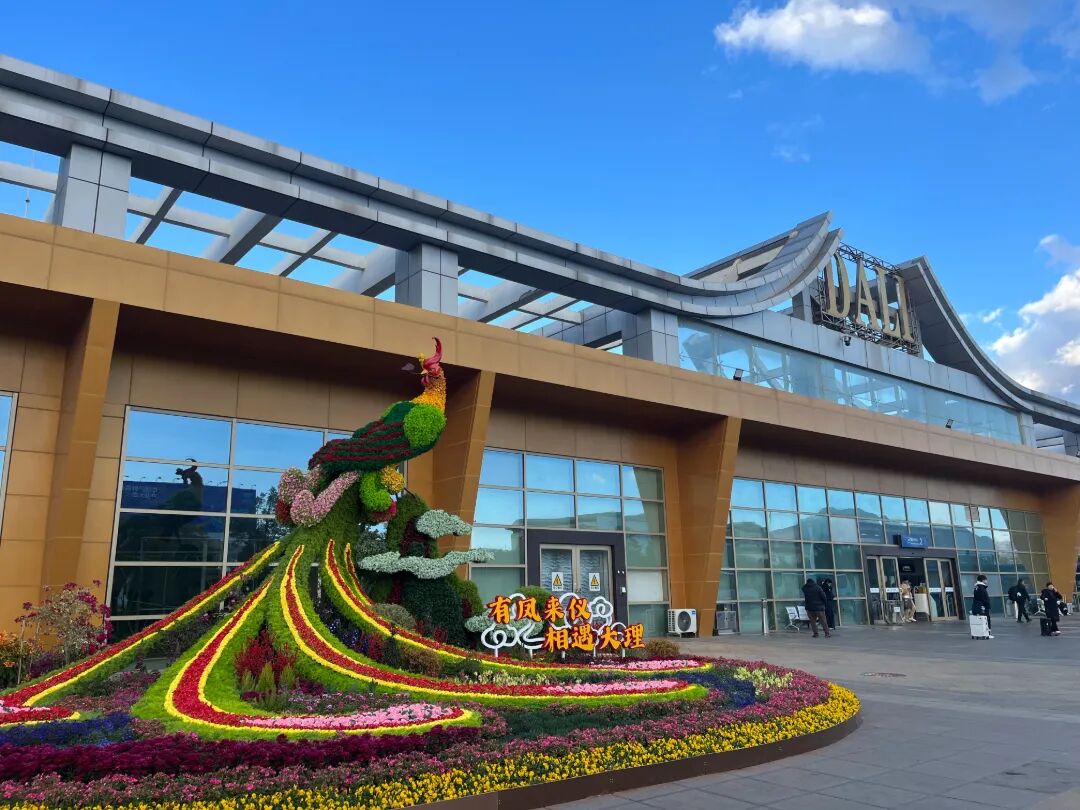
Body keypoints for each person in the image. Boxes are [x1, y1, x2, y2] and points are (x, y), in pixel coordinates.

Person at [972, 575, 994, 639]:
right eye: (986, 579)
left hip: (978, 606)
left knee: (981, 620)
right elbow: (984, 598)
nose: (987, 581)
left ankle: (982, 633)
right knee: (986, 620)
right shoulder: (981, 588)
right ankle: (987, 634)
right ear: (983, 580)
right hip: (983, 606)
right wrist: (988, 605)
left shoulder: (976, 587)